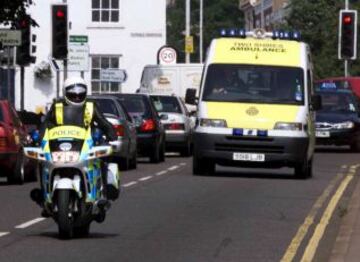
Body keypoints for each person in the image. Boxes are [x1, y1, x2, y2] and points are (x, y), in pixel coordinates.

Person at [39, 76, 118, 201]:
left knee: (102, 159)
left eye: (80, 94)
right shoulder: (57, 106)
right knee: (42, 161)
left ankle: (103, 194)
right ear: (65, 93)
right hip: (62, 144)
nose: (77, 97)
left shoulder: (90, 107)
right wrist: (40, 138)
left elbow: (103, 122)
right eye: (73, 94)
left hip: (87, 144)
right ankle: (44, 195)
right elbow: (46, 124)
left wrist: (111, 132)